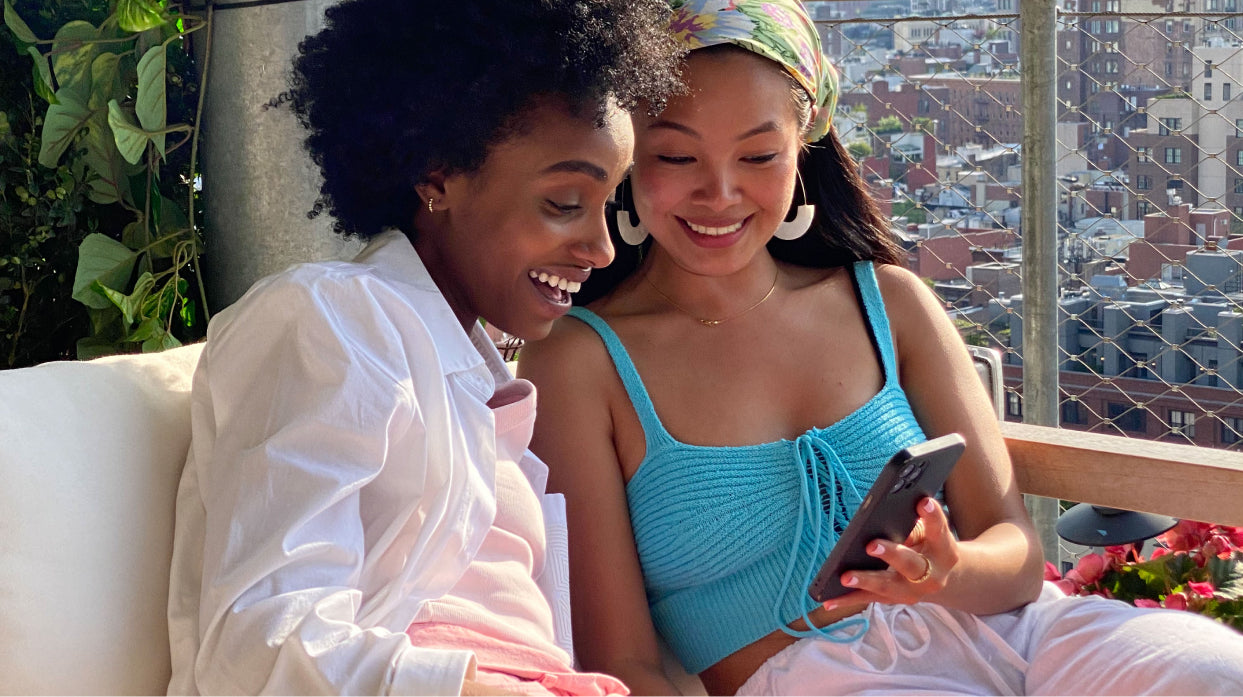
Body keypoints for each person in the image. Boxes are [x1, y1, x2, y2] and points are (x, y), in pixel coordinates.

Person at [518, 1, 1243, 694]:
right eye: (675, 156)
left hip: (1024, 633)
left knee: (1215, 669)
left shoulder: (887, 302)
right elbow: (619, 662)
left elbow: (1015, 553)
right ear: (625, 157)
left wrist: (948, 571)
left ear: (802, 148)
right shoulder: (579, 361)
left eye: (759, 154)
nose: (719, 191)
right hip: (819, 678)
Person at [164, 1, 683, 694]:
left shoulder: (466, 367)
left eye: (607, 205)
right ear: (438, 177)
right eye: (564, 202)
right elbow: (262, 641)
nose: (600, 246)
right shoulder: (332, 317)